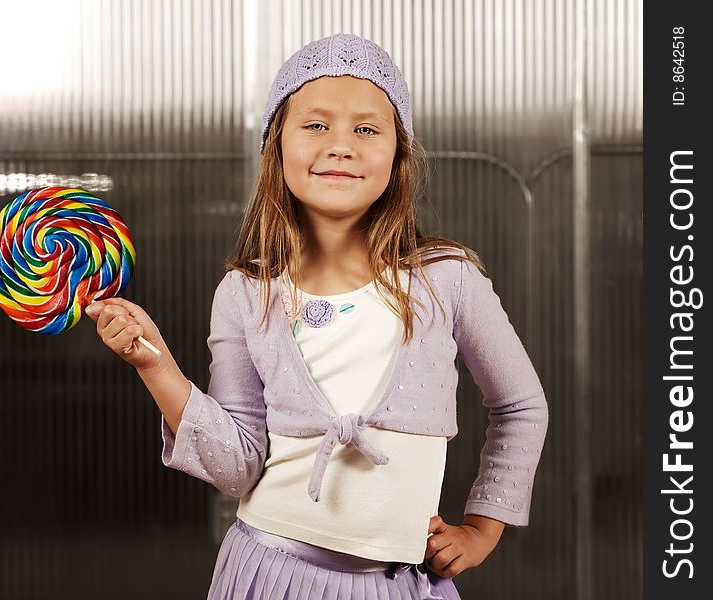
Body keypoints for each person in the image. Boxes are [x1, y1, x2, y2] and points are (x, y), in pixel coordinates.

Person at [85, 33, 548, 600]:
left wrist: (482, 527)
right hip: (267, 573)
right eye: (316, 125)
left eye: (367, 129)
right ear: (277, 147)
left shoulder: (446, 279)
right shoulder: (245, 292)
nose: (341, 146)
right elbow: (237, 467)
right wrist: (152, 363)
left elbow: (521, 406)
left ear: (398, 156)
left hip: (395, 585)